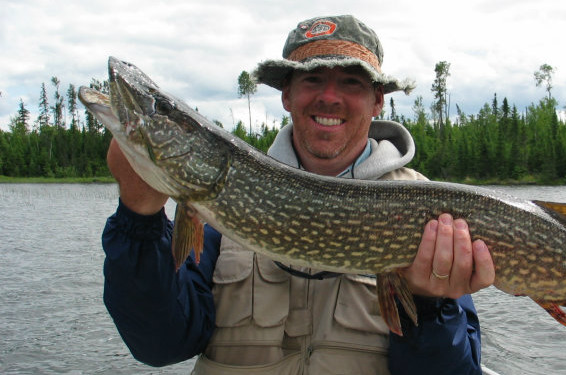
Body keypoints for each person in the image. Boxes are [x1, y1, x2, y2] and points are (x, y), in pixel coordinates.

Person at [102, 15, 495, 375]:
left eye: (351, 82)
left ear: (378, 100)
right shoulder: (221, 210)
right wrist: (139, 218)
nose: (329, 96)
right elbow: (159, 344)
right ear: (286, 94)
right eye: (311, 79)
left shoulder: (432, 210)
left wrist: (428, 306)